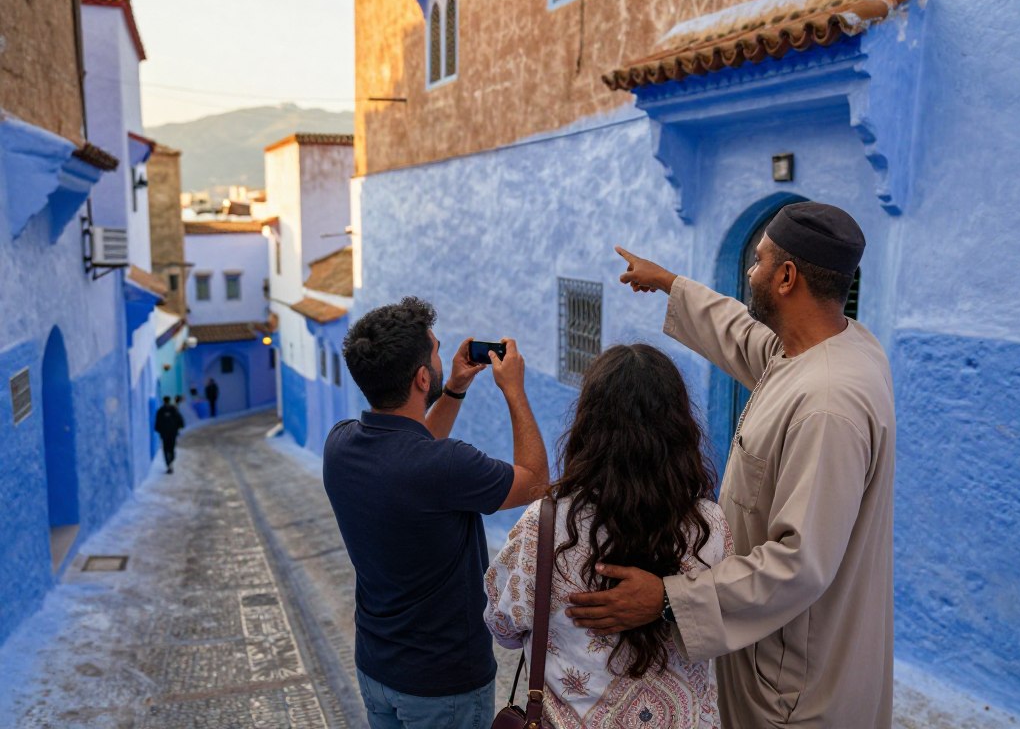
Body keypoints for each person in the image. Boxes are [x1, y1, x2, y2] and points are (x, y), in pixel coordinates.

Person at [566, 203, 896, 728]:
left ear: (786, 277)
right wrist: (671, 284)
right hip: (776, 647)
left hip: (795, 681)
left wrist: (669, 599)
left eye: (759, 259)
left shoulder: (829, 404)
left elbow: (799, 564)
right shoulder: (828, 347)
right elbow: (746, 337)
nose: (750, 270)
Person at [323, 297, 548, 729]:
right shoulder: (445, 466)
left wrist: (455, 389)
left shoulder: (340, 444)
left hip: (375, 668)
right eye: (437, 349)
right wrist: (514, 390)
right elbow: (536, 481)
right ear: (423, 377)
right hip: (442, 686)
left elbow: (409, 446)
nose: (443, 355)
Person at [484, 344, 732, 728]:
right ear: (680, 428)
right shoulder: (709, 526)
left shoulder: (546, 524)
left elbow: (503, 626)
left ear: (588, 425)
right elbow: (724, 623)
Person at [154, 396, 185, 474]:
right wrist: (180, 426)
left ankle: (169, 464)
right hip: (172, 433)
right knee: (171, 448)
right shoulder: (173, 409)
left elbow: (157, 422)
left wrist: (158, 430)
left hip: (165, 434)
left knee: (166, 448)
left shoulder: (160, 411)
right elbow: (179, 419)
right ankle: (170, 463)